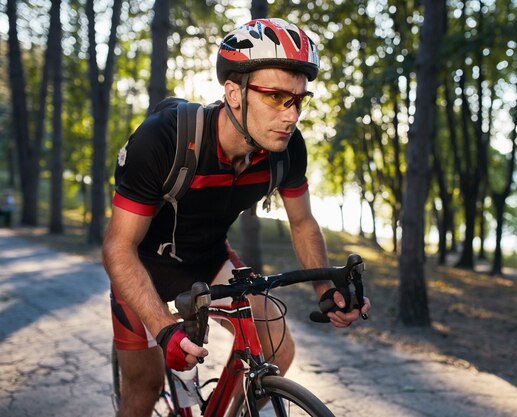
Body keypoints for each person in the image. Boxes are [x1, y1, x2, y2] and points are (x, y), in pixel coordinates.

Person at [102, 18, 371, 417]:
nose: (291, 115)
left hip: (209, 261)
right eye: (277, 97)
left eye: (299, 99)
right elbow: (118, 248)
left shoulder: (286, 150)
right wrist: (164, 329)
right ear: (234, 93)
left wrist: (323, 291)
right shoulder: (165, 139)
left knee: (278, 349)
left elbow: (302, 223)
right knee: (144, 389)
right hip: (142, 271)